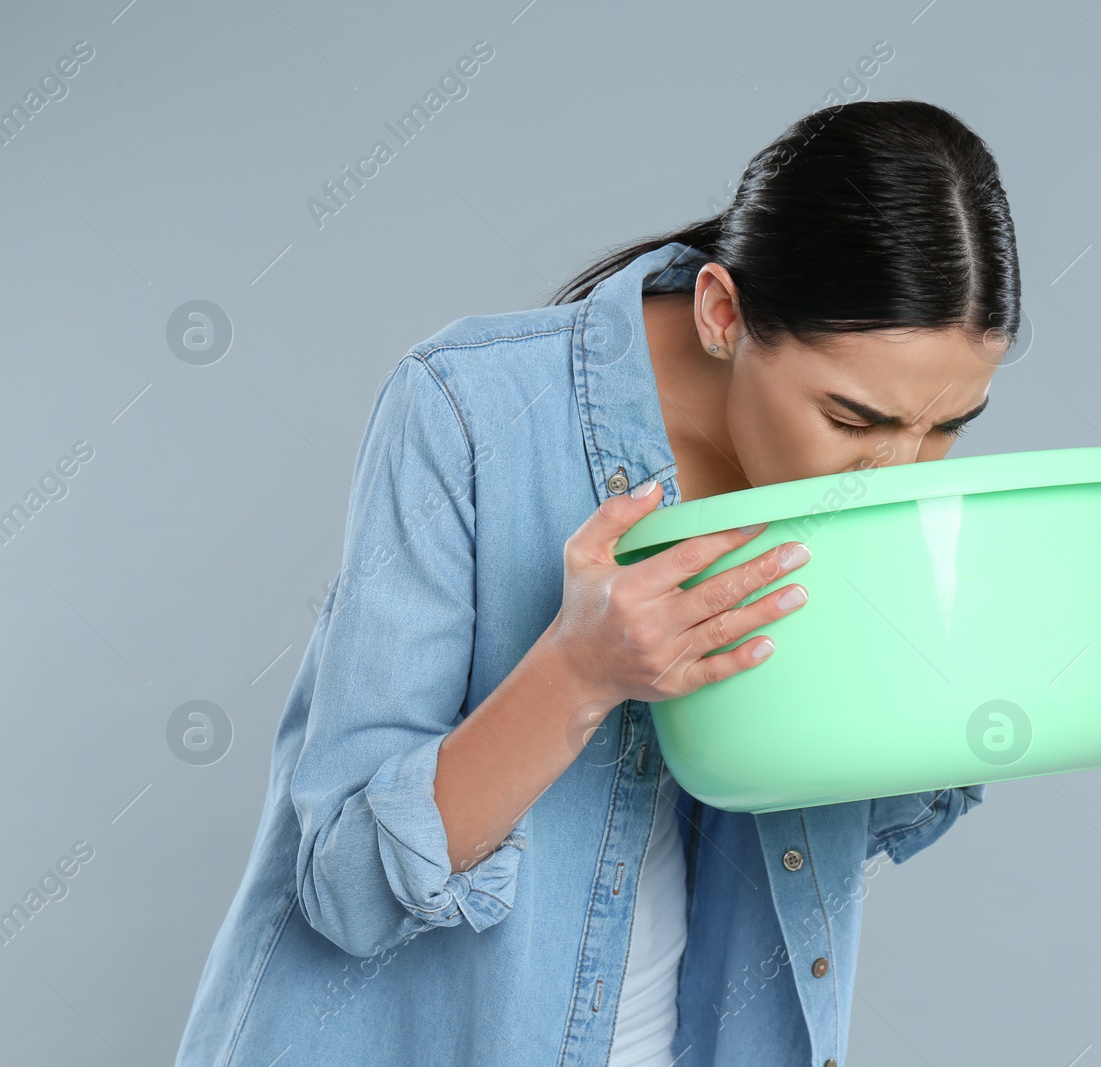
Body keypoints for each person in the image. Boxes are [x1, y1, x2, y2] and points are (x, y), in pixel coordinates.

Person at [174, 97, 1020, 1067]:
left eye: (950, 423)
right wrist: (577, 675)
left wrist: (968, 684)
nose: (899, 474)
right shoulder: (468, 411)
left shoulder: (873, 488)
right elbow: (348, 883)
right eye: (851, 417)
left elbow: (826, 826)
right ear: (722, 314)